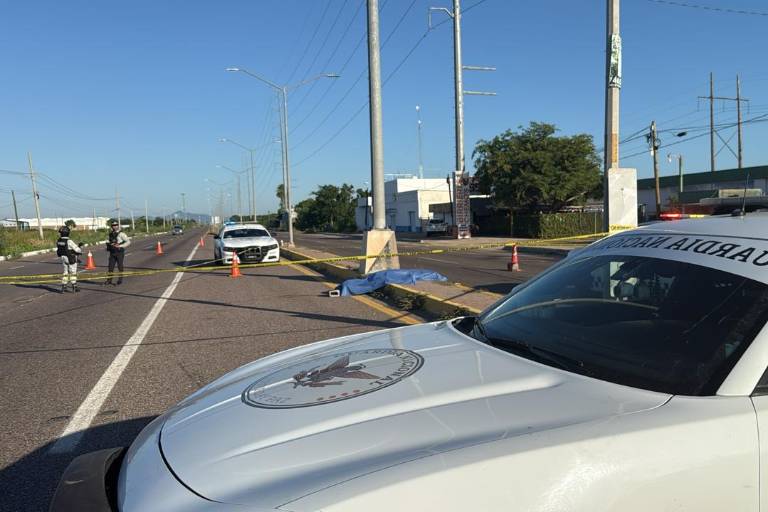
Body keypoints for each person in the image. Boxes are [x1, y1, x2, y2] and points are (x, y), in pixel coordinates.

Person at [56, 226, 83, 293]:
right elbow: (77, 250)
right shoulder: (69, 241)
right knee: (73, 272)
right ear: (67, 233)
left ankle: (64, 287)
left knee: (65, 272)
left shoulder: (59, 241)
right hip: (70, 258)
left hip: (63, 258)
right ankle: (74, 287)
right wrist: (80, 249)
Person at [104, 221, 131, 286]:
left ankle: (120, 280)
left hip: (119, 252)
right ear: (111, 226)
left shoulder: (121, 234)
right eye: (113, 225)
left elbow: (128, 242)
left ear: (118, 226)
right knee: (110, 267)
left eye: (116, 225)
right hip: (112, 252)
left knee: (120, 266)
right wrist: (108, 245)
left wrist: (120, 246)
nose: (114, 226)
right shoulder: (110, 234)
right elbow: (108, 241)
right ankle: (109, 280)